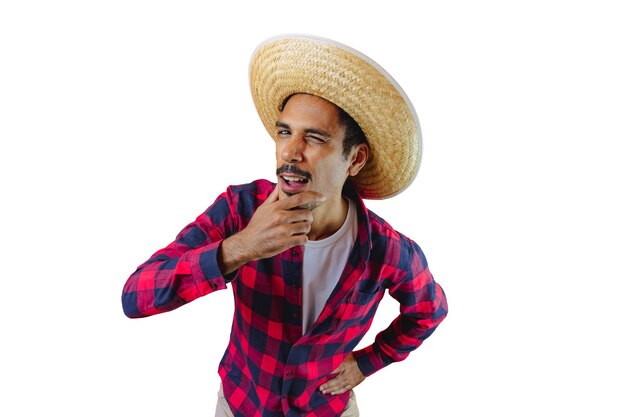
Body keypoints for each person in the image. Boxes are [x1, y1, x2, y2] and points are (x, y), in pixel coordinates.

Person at [122, 35, 448, 417]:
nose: (290, 152)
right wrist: (241, 247)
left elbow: (429, 310)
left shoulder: (387, 249)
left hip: (325, 409)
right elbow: (136, 296)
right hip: (242, 404)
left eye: (314, 138)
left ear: (355, 159)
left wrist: (367, 362)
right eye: (284, 132)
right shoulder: (239, 209)